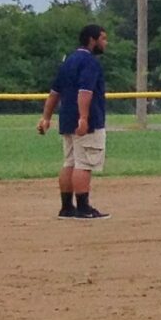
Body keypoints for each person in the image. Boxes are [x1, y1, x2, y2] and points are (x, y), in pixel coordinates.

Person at [36, 23, 112, 220]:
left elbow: (54, 93)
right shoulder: (89, 62)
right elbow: (85, 92)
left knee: (70, 162)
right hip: (85, 122)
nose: (106, 43)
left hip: (67, 119)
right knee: (84, 163)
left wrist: (46, 117)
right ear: (92, 40)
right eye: (103, 38)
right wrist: (84, 118)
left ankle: (67, 207)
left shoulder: (68, 61)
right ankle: (84, 208)